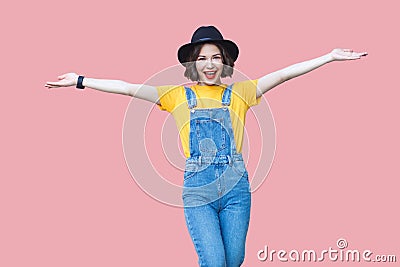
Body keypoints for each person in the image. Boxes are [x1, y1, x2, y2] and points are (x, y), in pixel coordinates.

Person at [45, 26, 367, 267]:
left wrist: (329, 57)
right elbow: (127, 88)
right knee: (214, 263)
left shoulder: (241, 92)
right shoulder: (175, 96)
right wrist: (80, 80)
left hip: (236, 190)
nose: (209, 64)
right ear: (193, 64)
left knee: (234, 260)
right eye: (202, 59)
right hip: (198, 191)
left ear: (224, 61)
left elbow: (283, 75)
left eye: (215, 57)